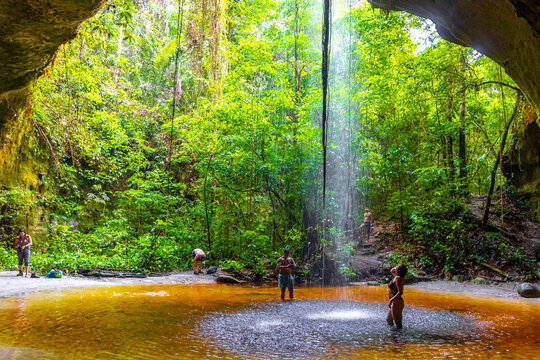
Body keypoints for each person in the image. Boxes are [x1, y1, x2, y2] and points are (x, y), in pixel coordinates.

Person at [387, 264, 407, 329]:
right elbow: (392, 271)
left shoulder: (398, 279)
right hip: (395, 302)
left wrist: (391, 300)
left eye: (396, 267)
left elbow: (400, 292)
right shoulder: (397, 277)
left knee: (398, 325)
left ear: (398, 270)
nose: (395, 268)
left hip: (397, 302)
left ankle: (399, 338)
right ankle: (393, 336)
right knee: (389, 320)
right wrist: (397, 267)